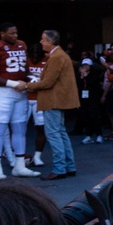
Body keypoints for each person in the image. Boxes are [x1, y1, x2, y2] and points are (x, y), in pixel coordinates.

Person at [0, 22, 37, 180]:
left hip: (20, 93)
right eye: (11, 33)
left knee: (20, 130)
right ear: (2, 34)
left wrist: (31, 79)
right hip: (1, 93)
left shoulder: (21, 46)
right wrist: (13, 83)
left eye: (16, 33)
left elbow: (23, 70)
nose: (15, 36)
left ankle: (19, 166)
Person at [22, 29, 79, 181]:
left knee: (54, 134)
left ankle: (60, 168)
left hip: (53, 100)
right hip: (59, 100)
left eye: (42, 39)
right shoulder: (60, 55)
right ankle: (69, 166)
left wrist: (27, 86)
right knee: (61, 133)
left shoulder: (56, 57)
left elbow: (47, 82)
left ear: (50, 42)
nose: (40, 42)